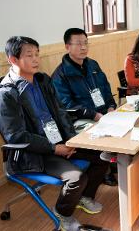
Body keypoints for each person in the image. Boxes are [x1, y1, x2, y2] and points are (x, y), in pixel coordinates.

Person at [0, 36, 108, 231]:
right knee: (76, 177)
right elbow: (16, 136)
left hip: (59, 142)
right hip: (33, 153)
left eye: (37, 54)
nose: (36, 59)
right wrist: (55, 149)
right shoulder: (5, 96)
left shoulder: (42, 80)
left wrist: (72, 140)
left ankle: (83, 197)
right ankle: (62, 213)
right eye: (29, 55)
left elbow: (61, 112)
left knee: (104, 156)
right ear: (13, 60)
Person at [51, 28, 118, 186]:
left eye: (86, 43)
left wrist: (111, 106)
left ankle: (112, 162)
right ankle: (104, 169)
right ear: (67, 46)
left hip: (102, 113)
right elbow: (67, 105)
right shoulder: (60, 75)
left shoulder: (93, 65)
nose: (83, 47)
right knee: (104, 134)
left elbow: (105, 88)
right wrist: (94, 115)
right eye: (79, 43)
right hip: (79, 118)